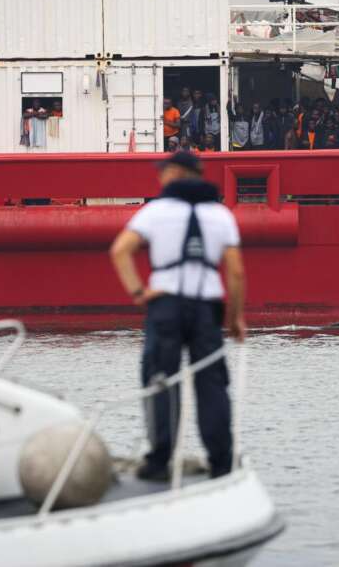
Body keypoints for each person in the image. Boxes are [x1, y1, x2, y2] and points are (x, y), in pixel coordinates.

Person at [109, 151, 246, 481]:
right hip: (206, 307)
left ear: (177, 174)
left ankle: (159, 462)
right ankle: (221, 462)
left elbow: (120, 251)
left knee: (160, 380)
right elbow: (236, 272)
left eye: (164, 171)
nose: (160, 177)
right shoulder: (221, 214)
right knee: (211, 385)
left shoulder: (155, 211)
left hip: (165, 305)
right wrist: (235, 318)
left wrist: (139, 293)